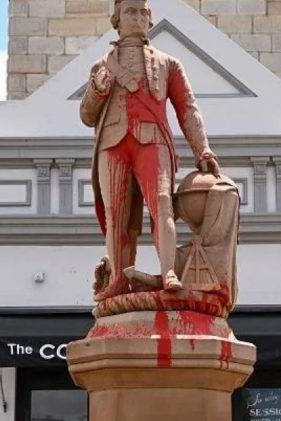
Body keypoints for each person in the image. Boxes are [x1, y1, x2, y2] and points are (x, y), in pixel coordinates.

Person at [80, 0, 220, 302]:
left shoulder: (169, 63)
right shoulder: (102, 66)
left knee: (162, 205)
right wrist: (98, 89)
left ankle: (168, 270)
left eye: (143, 12)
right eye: (131, 11)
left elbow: (188, 109)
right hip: (113, 143)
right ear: (116, 18)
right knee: (117, 214)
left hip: (153, 140)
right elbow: (87, 115)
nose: (139, 18)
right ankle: (118, 277)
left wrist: (203, 150)